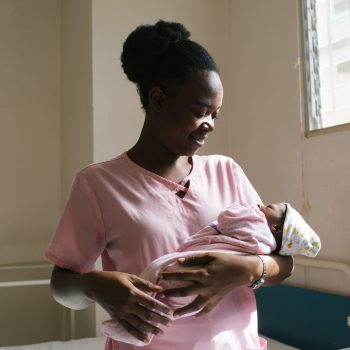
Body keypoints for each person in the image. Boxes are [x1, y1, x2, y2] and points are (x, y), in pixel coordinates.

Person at [45, 20, 294, 350]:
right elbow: (62, 285)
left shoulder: (227, 172)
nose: (210, 126)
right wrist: (96, 286)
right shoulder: (99, 184)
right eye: (200, 111)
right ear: (159, 99)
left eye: (216, 115)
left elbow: (285, 262)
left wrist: (247, 268)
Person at [101, 202, 321, 345]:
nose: (262, 204)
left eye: (270, 207)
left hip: (192, 271)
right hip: (192, 277)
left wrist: (250, 268)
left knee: (158, 288)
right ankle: (139, 330)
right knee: (162, 299)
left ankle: (136, 330)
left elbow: (229, 218)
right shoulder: (265, 238)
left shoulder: (257, 225)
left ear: (275, 228)